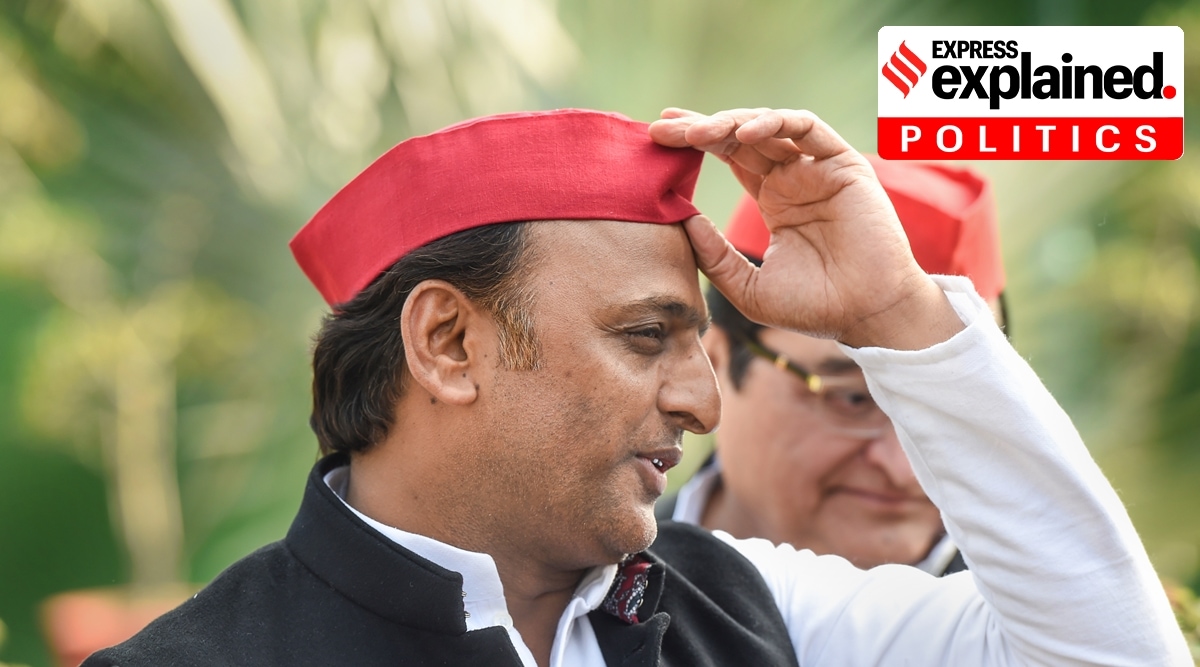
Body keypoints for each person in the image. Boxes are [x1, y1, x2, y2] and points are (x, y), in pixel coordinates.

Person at [82, 107, 1190, 666]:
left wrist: (897, 312)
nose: (702, 402)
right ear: (447, 344)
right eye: (648, 336)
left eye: (701, 345)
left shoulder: (742, 601)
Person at [657, 158, 1005, 574]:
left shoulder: (1043, 627)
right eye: (854, 398)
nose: (906, 470)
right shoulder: (581, 596)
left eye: (953, 411)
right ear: (713, 363)